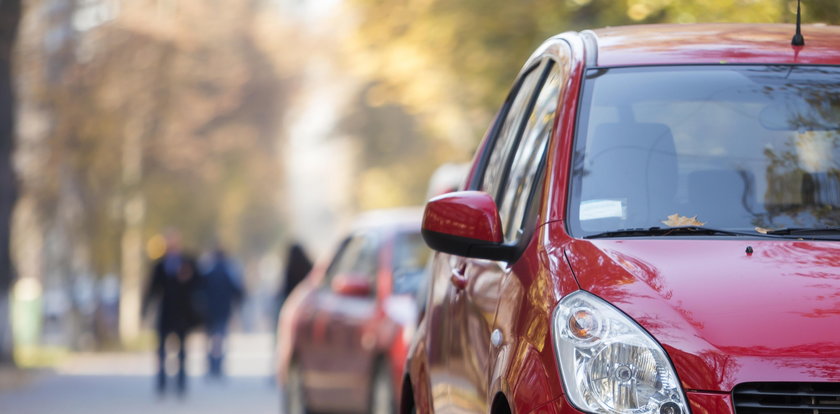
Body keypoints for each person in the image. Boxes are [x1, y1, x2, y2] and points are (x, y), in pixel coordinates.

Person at [142, 231, 202, 396]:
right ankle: (161, 383)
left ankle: (181, 384)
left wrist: (189, 277)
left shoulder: (188, 261)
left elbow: (199, 283)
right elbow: (152, 289)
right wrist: (145, 310)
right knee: (161, 351)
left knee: (182, 351)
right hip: (166, 313)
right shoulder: (160, 264)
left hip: (183, 313)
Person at [199, 245, 243, 379]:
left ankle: (211, 365)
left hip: (209, 311)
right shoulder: (228, 273)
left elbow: (200, 290)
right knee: (221, 339)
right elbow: (237, 291)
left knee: (210, 340)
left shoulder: (208, 272)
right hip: (223, 311)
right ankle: (218, 366)